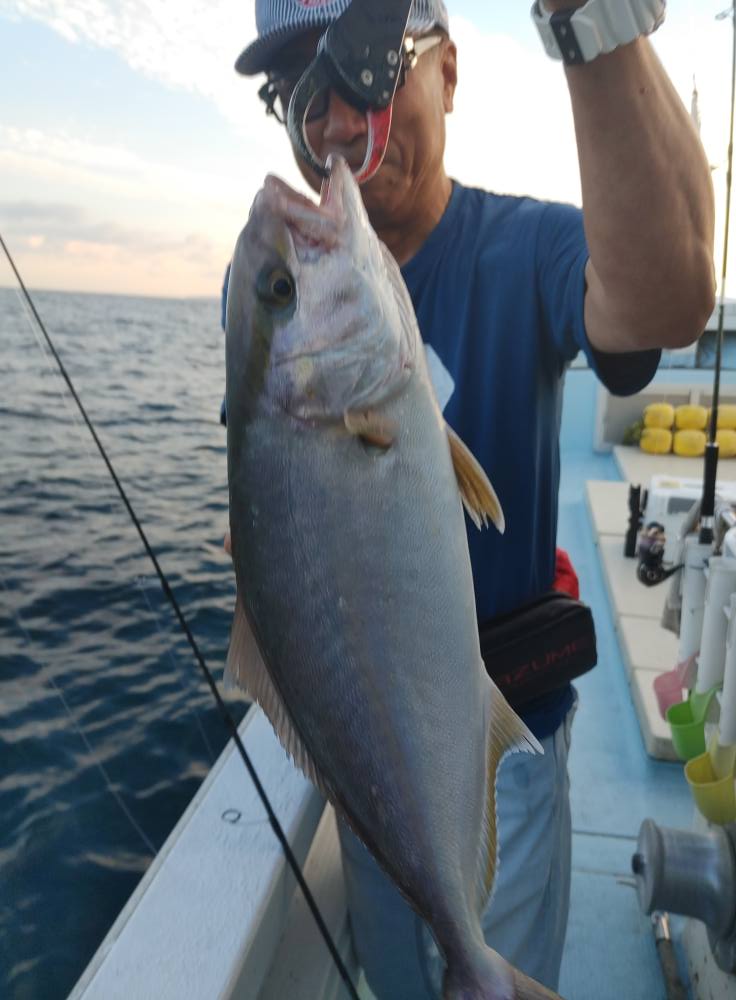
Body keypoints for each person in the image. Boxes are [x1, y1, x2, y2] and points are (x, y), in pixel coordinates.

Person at [229, 1, 715, 996]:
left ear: (447, 72)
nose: (333, 123)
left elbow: (668, 296)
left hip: (508, 738)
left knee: (488, 966)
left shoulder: (524, 247)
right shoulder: (305, 319)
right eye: (300, 94)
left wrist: (589, 17)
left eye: (365, 66)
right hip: (367, 762)